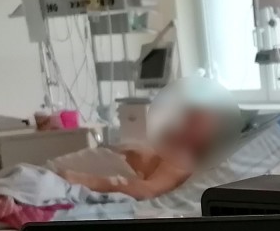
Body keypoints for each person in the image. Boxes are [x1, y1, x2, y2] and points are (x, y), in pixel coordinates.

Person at [56, 77, 247, 200]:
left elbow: (147, 190)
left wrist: (79, 179)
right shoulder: (169, 146)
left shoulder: (183, 158)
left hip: (66, 178)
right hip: (67, 171)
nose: (185, 120)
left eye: (195, 120)